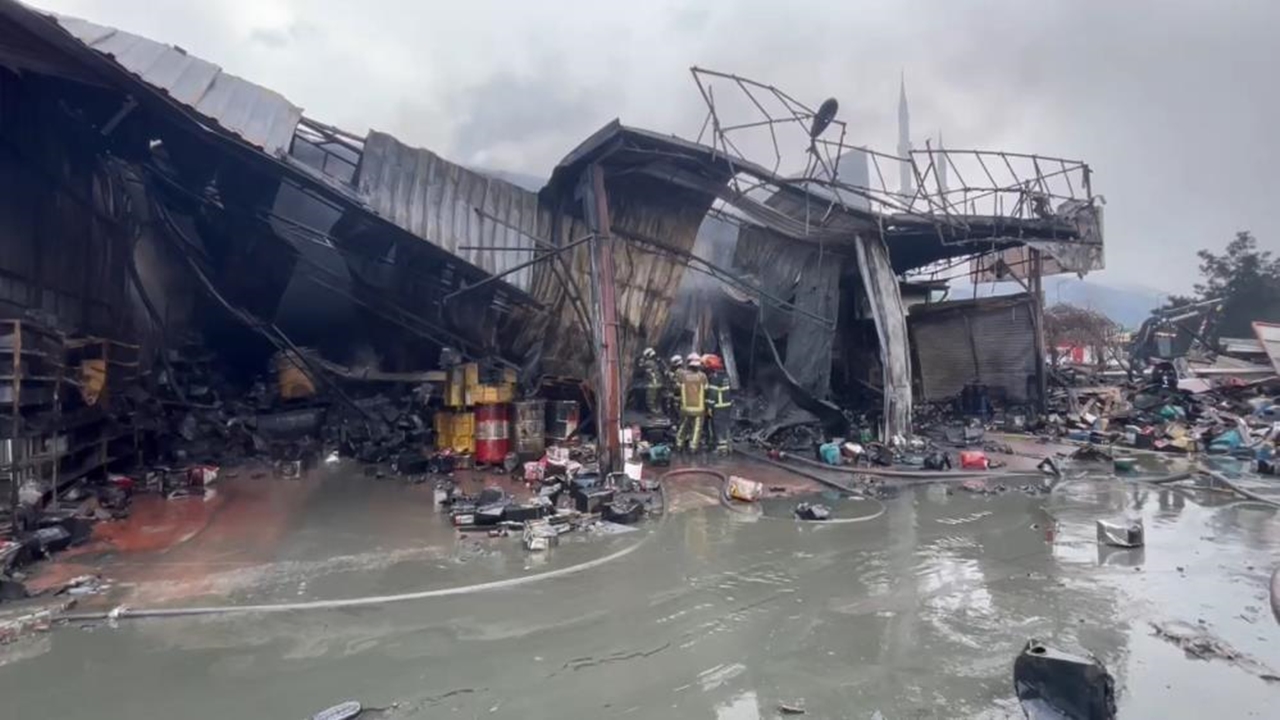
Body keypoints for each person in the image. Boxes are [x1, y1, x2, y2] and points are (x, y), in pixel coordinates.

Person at [675, 353, 707, 451]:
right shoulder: (703, 376)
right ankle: (693, 447)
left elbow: (677, 389)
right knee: (697, 428)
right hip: (699, 408)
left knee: (684, 426)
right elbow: (706, 389)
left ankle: (679, 444)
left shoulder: (682, 375)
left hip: (685, 407)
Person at [702, 353, 733, 454]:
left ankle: (722, 449)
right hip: (726, 405)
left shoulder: (714, 377)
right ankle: (729, 447)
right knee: (725, 426)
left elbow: (713, 394)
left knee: (718, 427)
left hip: (718, 406)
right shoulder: (725, 375)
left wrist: (709, 407)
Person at [637, 347, 664, 414]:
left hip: (653, 385)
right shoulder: (656, 363)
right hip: (659, 384)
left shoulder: (648, 363)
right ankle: (658, 411)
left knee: (650, 401)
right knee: (656, 401)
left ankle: (655, 413)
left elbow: (640, 366)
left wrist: (641, 360)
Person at [665, 354, 685, 421]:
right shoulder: (681, 371)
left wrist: (671, 378)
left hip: (678, 396)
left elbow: (677, 386)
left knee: (677, 412)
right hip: (678, 395)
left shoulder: (679, 372)